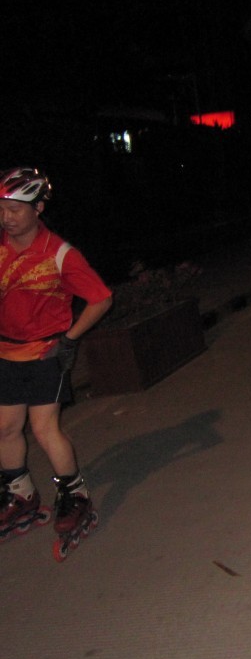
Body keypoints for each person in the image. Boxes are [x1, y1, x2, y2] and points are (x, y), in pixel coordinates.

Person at [0, 167, 113, 555]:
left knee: (44, 428)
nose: (6, 217)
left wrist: (70, 339)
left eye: (16, 209)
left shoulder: (60, 254)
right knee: (4, 428)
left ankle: (74, 495)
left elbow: (101, 299)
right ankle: (21, 493)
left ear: (38, 209)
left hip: (46, 352)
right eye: (1, 209)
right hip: (6, 352)